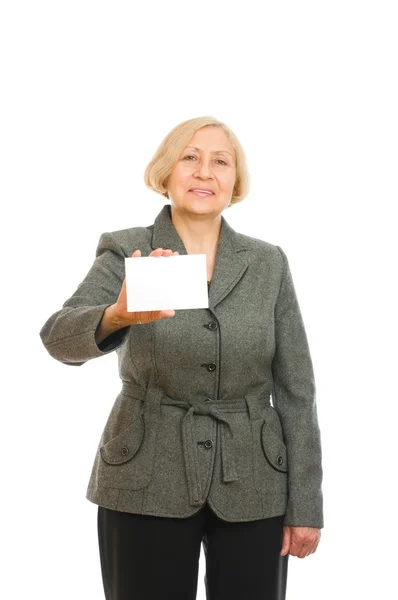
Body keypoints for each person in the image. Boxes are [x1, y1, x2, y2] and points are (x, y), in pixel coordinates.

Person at [39, 116, 324, 600]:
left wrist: (306, 505)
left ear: (235, 180)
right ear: (165, 173)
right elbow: (57, 338)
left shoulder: (268, 262)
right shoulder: (127, 249)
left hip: (253, 477)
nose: (204, 171)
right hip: (144, 470)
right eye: (189, 157)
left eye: (220, 161)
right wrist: (117, 314)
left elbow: (297, 389)